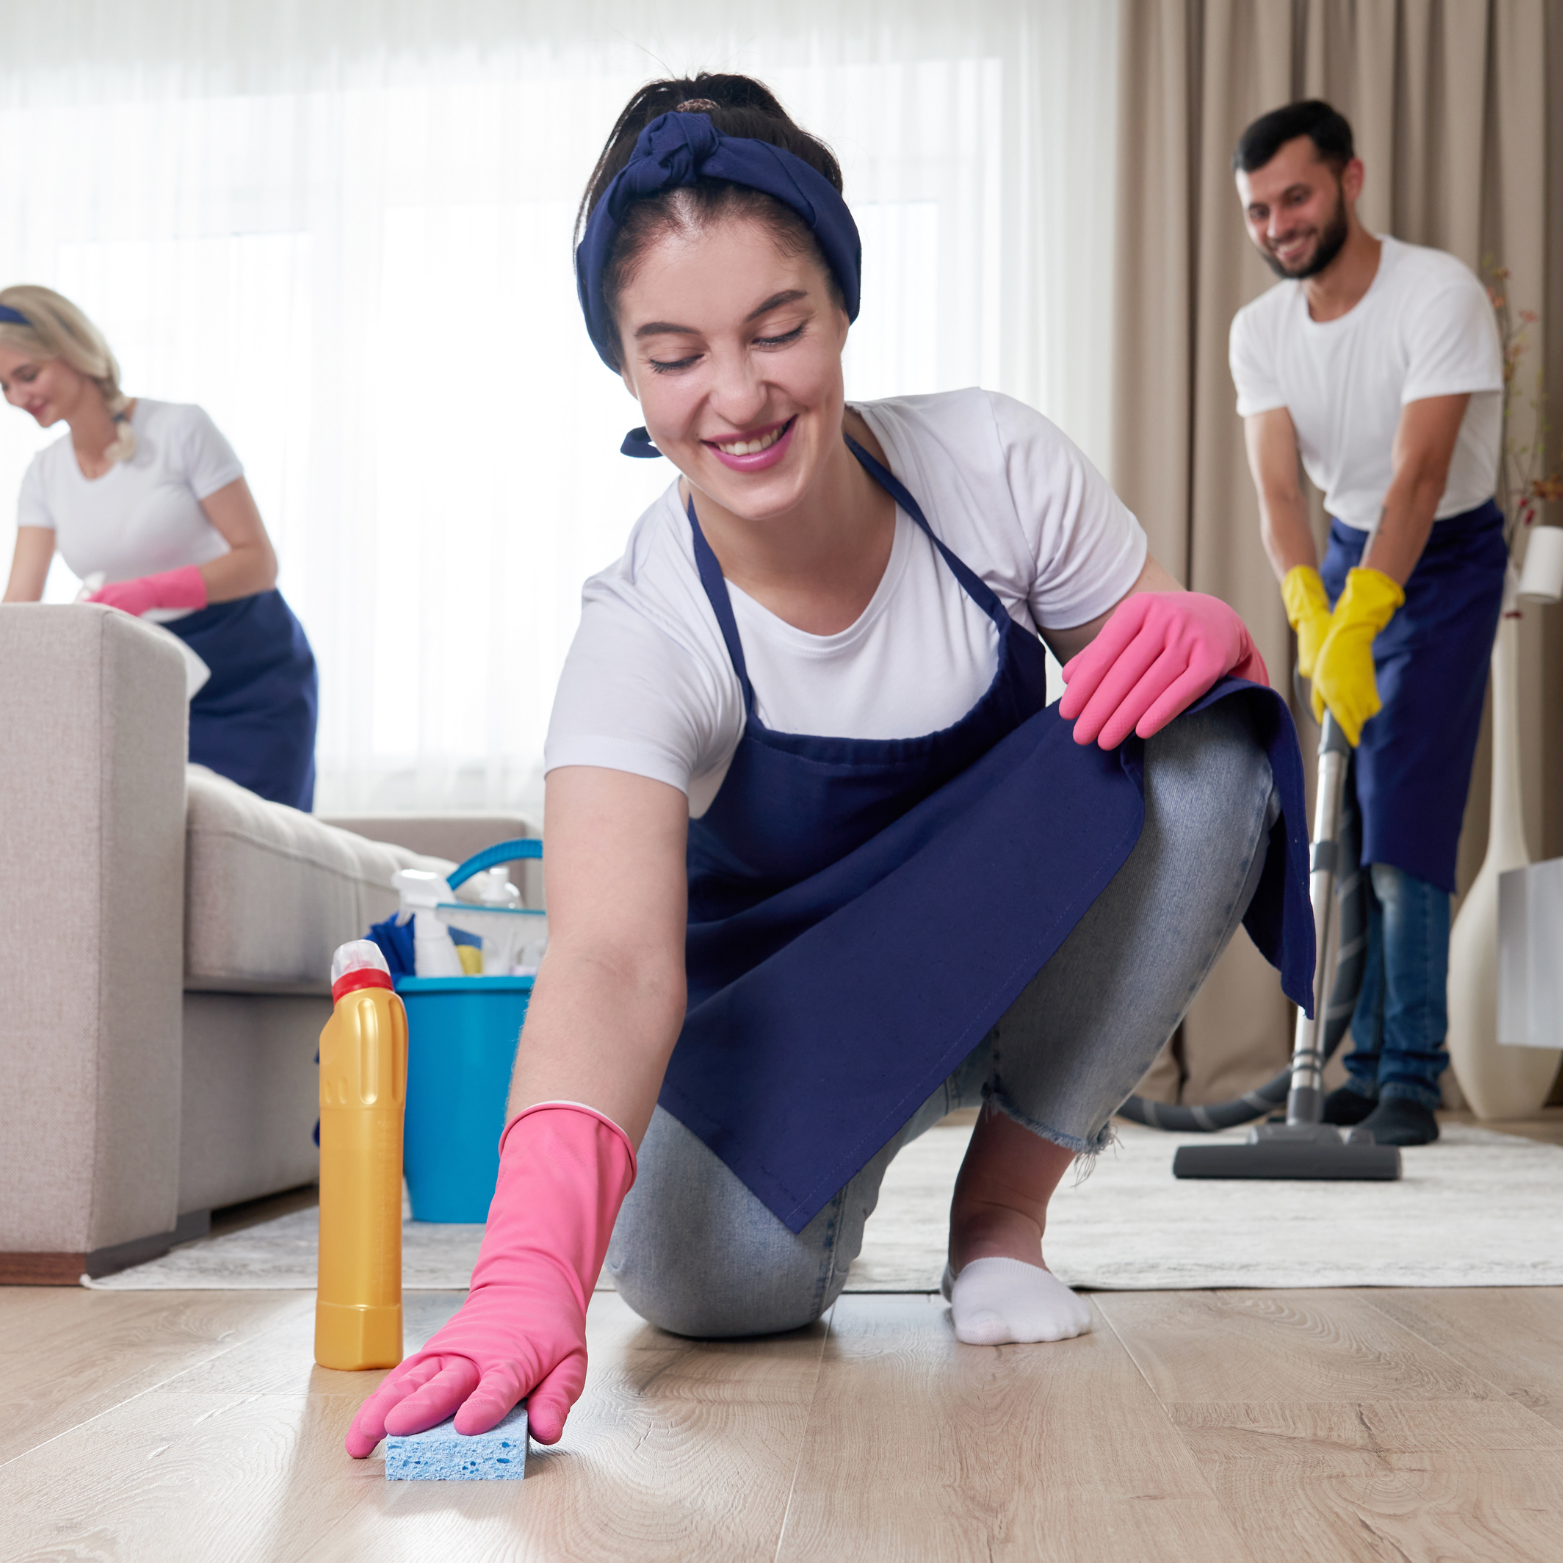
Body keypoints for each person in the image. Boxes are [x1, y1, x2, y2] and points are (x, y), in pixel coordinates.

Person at [346, 74, 1313, 1459]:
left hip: (1012, 952)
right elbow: (610, 960)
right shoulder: (641, 627)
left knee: (1217, 747)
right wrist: (523, 1276)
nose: (735, 395)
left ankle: (999, 1215)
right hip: (792, 1018)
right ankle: (828, 1176)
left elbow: (1174, 745)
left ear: (841, 305)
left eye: (776, 328)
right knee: (700, 1281)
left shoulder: (988, 467)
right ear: (623, 368)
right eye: (673, 353)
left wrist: (1219, 641)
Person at [1229, 101, 1507, 1148]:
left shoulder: (1435, 294)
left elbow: (1421, 476)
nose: (1277, 224)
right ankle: (1361, 1059)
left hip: (1444, 558)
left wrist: (1371, 611)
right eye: (1258, 209)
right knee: (1345, 820)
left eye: (1295, 197)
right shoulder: (1259, 330)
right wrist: (1312, 605)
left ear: (1349, 181)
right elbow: (1279, 496)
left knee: (1405, 817)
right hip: (1341, 557)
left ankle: (1411, 1076)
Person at [0, 285, 318, 811]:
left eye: (27, 375)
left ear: (74, 349)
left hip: (252, 673)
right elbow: (18, 607)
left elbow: (258, 562)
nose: (15, 397)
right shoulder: (44, 474)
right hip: (156, 685)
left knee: (258, 848)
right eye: (4, 386)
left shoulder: (180, 430)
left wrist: (147, 592)